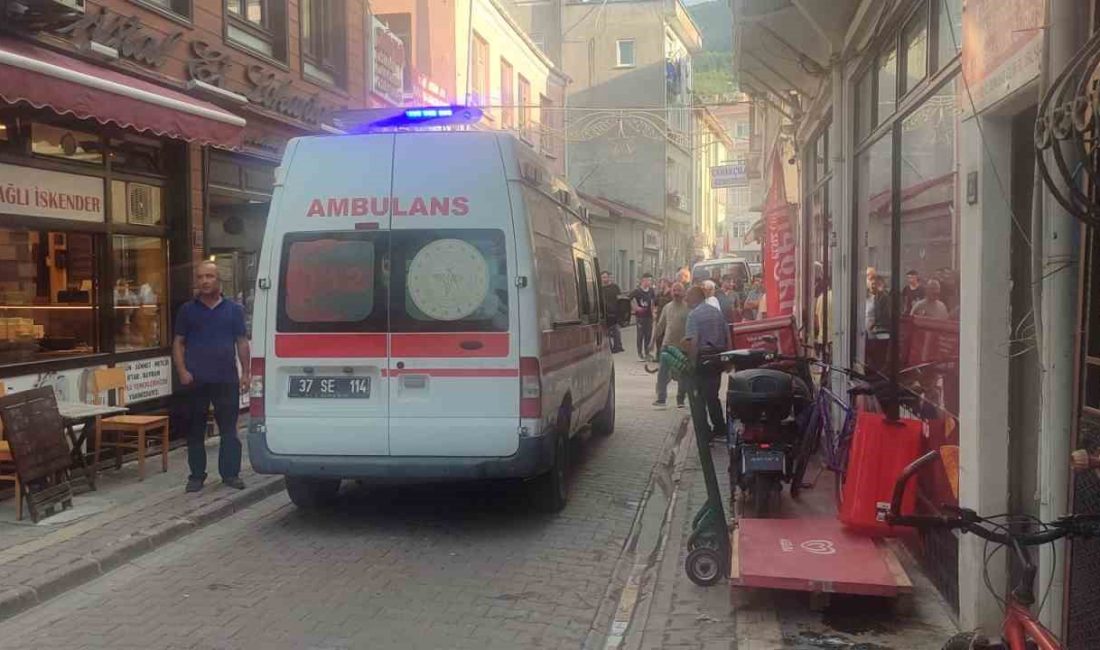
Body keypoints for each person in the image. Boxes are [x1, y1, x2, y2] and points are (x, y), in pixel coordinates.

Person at [174, 261, 250, 493]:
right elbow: (178, 343)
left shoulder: (234, 310)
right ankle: (196, 475)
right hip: (196, 380)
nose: (204, 281)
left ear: (219, 281)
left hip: (226, 378)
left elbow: (241, 342)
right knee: (195, 430)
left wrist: (246, 372)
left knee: (229, 430)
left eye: (209, 276)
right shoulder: (188, 310)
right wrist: (182, 371)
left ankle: (230, 474)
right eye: (200, 277)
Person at [682, 286, 730, 436]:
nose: (686, 299)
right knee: (713, 396)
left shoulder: (693, 315)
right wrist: (728, 360)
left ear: (696, 297)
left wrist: (692, 364)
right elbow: (727, 334)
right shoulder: (716, 312)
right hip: (717, 359)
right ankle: (720, 427)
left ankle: (704, 432)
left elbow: (693, 342)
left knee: (699, 398)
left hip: (702, 359)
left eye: (688, 296)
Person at [653, 281, 690, 409]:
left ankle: (680, 400)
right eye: (674, 290)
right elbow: (660, 326)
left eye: (679, 291)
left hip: (682, 348)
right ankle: (661, 399)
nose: (676, 293)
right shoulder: (667, 307)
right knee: (662, 373)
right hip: (667, 345)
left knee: (683, 376)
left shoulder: (688, 308)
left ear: (684, 293)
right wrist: (652, 342)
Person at [630, 274, 657, 361]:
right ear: (643, 280)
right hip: (640, 317)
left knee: (648, 335)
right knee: (640, 334)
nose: (649, 282)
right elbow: (628, 298)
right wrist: (635, 308)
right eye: (648, 280)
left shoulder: (651, 291)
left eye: (650, 280)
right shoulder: (637, 291)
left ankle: (647, 352)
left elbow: (654, 301)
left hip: (649, 316)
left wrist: (654, 312)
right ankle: (639, 353)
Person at [600, 271, 624, 353]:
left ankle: (618, 346)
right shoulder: (600, 288)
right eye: (603, 277)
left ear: (609, 277)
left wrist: (621, 310)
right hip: (605, 313)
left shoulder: (615, 287)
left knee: (616, 330)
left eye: (605, 277)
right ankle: (609, 347)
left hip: (615, 312)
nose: (604, 279)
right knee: (606, 331)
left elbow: (619, 298)